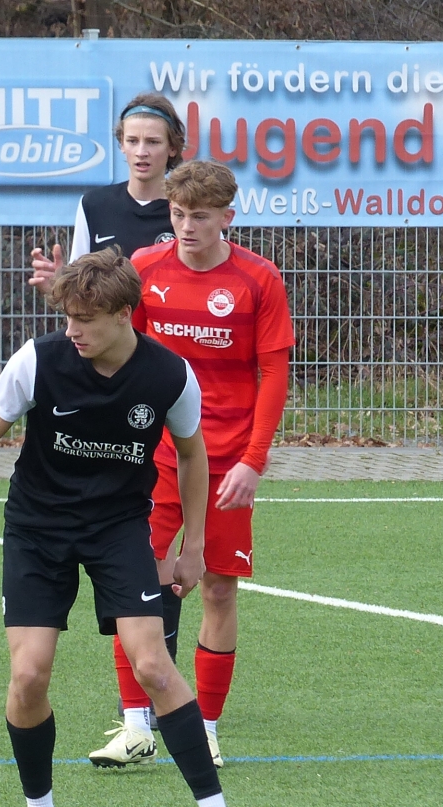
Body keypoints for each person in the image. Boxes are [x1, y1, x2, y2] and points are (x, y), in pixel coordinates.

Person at [0, 249, 263, 807]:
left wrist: (193, 546)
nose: (72, 331)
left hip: (118, 528)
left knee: (155, 667)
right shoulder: (38, 360)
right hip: (37, 528)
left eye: (84, 319)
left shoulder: (170, 376)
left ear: (122, 314)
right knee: (28, 675)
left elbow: (192, 456)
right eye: (66, 317)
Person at [87, 160, 295, 769]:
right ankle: (135, 726)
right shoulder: (145, 269)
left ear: (227, 217)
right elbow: (119, 352)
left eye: (199, 217)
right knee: (135, 581)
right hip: (154, 457)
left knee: (220, 589)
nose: (185, 227)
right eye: (177, 214)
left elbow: (274, 373)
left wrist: (253, 461)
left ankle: (204, 728)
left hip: (227, 462)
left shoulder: (259, 279)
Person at [28, 93, 187, 291]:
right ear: (121, 144)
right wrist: (59, 288)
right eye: (132, 141)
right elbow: (79, 294)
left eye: (153, 142)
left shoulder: (188, 210)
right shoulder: (94, 205)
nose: (141, 152)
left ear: (172, 147)